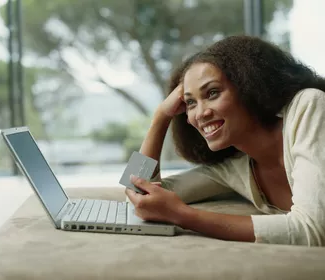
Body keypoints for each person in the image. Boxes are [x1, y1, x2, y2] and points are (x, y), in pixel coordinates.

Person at [125, 35, 325, 246]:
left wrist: (184, 215)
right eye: (191, 102)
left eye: (212, 93)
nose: (200, 114)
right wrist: (161, 117)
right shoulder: (233, 168)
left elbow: (313, 229)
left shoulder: (310, 105)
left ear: (250, 86)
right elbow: (139, 192)